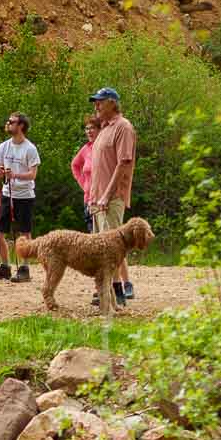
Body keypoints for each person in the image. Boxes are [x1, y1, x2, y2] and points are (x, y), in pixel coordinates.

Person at [87, 86, 138, 303]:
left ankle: (115, 296)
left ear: (113, 103)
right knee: (101, 250)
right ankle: (108, 293)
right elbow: (97, 168)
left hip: (111, 198)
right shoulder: (104, 128)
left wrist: (107, 196)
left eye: (100, 101)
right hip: (98, 199)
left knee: (111, 250)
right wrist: (92, 197)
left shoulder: (123, 127)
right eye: (95, 101)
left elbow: (123, 163)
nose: (96, 105)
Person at [0, 112, 39, 282]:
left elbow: (33, 174)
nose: (8, 123)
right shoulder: (4, 146)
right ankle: (5, 266)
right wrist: (1, 174)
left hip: (24, 195)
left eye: (12, 122)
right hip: (6, 193)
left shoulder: (30, 148)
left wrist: (15, 176)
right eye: (8, 121)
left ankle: (24, 268)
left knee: (24, 232)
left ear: (21, 126)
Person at [70, 115, 99, 232]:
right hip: (88, 199)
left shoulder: (105, 147)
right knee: (92, 235)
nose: (89, 131)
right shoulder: (85, 149)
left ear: (100, 129)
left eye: (92, 128)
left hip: (103, 198)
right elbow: (75, 165)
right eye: (87, 128)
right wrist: (84, 185)